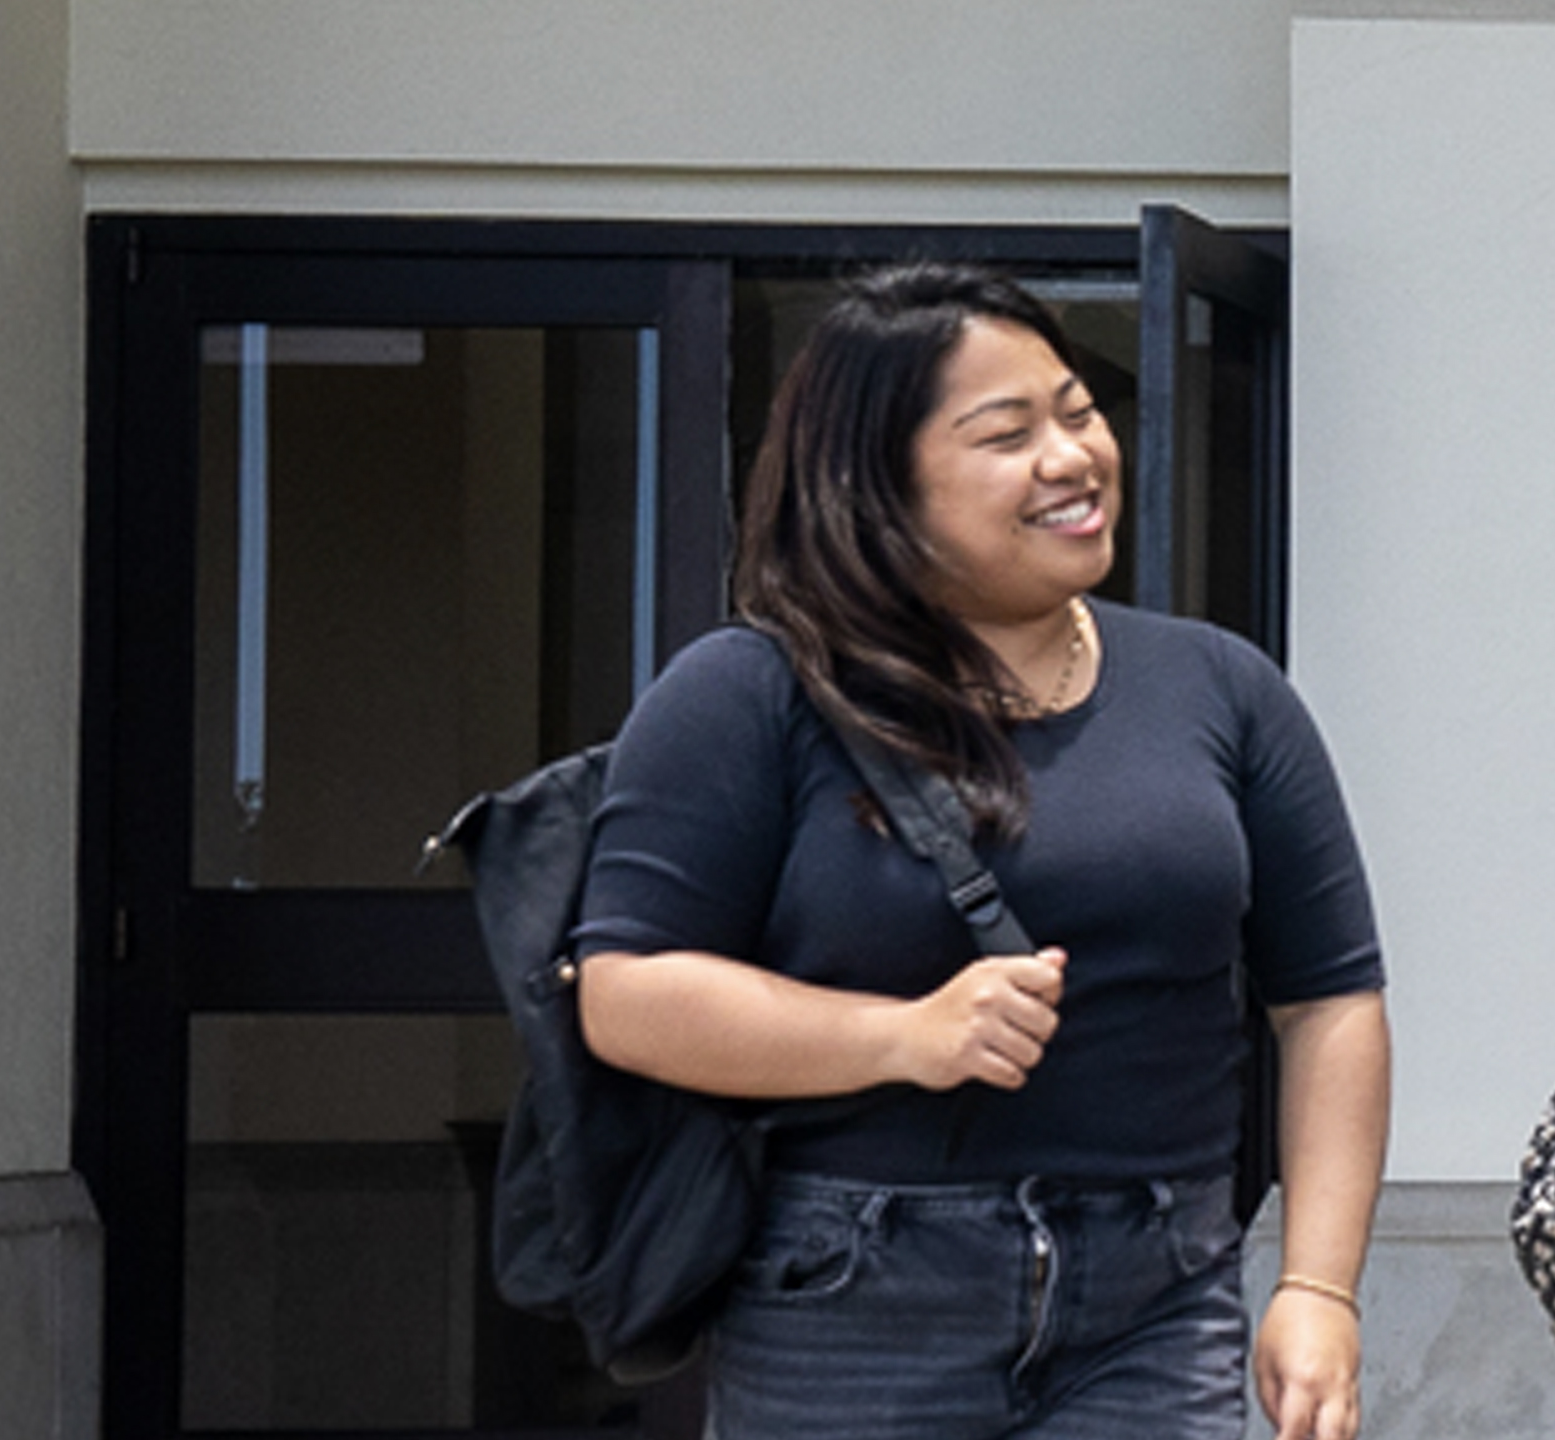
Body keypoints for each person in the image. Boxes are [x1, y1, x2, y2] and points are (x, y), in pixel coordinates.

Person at [570, 264, 1392, 1440]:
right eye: (1006, 434)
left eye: (1077, 411)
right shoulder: (750, 694)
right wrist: (902, 1036)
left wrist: (1317, 1287)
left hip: (1158, 1293)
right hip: (851, 1294)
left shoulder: (1221, 687)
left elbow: (1329, 1002)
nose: (1071, 456)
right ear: (881, 485)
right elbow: (628, 995)